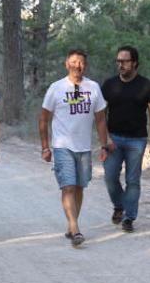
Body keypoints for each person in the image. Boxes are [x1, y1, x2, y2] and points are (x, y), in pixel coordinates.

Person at [39, 49, 111, 247]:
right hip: (62, 146)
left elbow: (100, 119)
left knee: (79, 186)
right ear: (66, 64)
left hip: (84, 147)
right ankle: (75, 227)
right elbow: (44, 119)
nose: (77, 65)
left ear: (85, 65)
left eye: (81, 62)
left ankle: (72, 226)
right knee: (68, 186)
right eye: (73, 62)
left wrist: (104, 144)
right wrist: (45, 147)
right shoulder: (56, 88)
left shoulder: (93, 87)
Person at [101, 46, 150, 233]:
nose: (121, 65)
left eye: (125, 61)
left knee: (133, 180)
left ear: (134, 62)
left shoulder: (146, 86)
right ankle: (119, 205)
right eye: (119, 61)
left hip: (137, 140)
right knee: (110, 177)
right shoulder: (109, 85)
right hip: (113, 139)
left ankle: (128, 218)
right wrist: (104, 140)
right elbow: (101, 115)